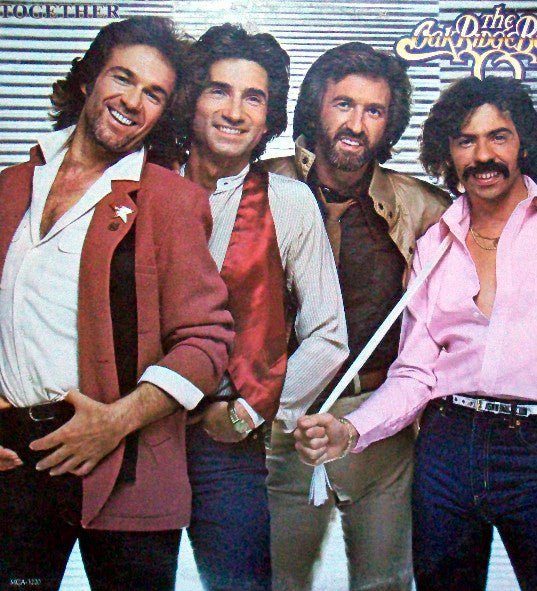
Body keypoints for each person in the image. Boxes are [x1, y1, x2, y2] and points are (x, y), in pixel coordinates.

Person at [263, 42, 537, 591]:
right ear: (447, 152)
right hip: (443, 445)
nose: (482, 155)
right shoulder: (437, 239)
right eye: (465, 140)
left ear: (525, 145)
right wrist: (351, 429)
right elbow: (416, 371)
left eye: (499, 137)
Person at [0, 16, 234, 591]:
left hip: (128, 465)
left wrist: (114, 422)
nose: (132, 100)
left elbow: (207, 343)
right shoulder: (10, 187)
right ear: (88, 80)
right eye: (122, 78)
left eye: (153, 93)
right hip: (15, 462)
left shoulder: (170, 201)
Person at [177, 24, 347, 591]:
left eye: (253, 97)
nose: (235, 111)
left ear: (269, 115)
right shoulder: (142, 184)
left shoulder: (288, 201)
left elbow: (328, 335)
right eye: (219, 91)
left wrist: (248, 412)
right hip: (133, 429)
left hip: (223, 440)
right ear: (191, 99)